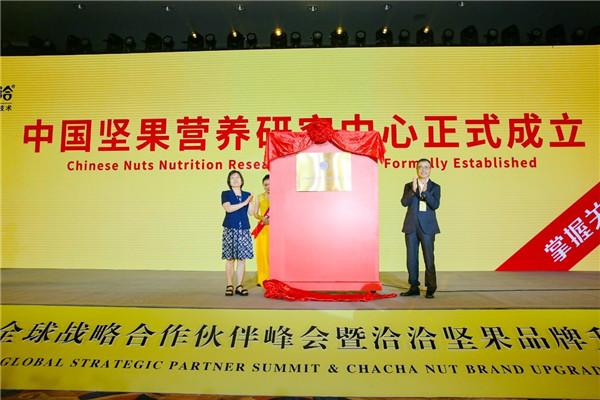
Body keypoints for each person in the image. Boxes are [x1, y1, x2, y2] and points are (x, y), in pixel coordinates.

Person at [400, 158, 441, 299]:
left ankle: (431, 287)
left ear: (430, 169)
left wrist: (425, 192)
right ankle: (413, 286)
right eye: (420, 167)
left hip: (427, 228)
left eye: (426, 167)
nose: (423, 170)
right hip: (411, 226)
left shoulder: (435, 187)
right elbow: (404, 202)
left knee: (429, 258)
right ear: (416, 169)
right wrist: (413, 190)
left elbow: (435, 205)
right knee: (411, 259)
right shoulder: (408, 186)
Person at [221, 170, 254, 296]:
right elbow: (228, 208)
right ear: (229, 181)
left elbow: (250, 213)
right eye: (232, 178)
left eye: (238, 177)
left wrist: (251, 203)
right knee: (230, 258)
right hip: (230, 228)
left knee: (241, 259)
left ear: (242, 180)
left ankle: (239, 285)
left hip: (244, 229)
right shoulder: (226, 194)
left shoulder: (247, 194)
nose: (235, 179)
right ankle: (230, 284)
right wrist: (245, 203)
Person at [253, 174, 270, 286]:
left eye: (270, 184)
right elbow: (255, 213)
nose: (268, 187)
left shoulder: (279, 196)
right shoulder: (259, 197)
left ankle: (274, 278)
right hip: (263, 229)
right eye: (266, 184)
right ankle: (263, 279)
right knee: (262, 254)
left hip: (276, 230)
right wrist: (262, 218)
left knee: (273, 255)